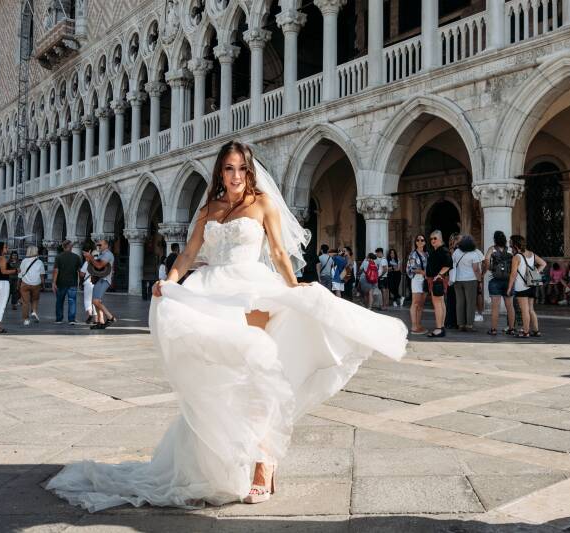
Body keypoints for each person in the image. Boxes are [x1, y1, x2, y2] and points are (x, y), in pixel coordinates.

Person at [46, 140, 407, 511]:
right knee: (216, 380)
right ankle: (214, 468)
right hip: (213, 292)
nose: (235, 176)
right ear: (220, 171)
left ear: (249, 171)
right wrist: (169, 280)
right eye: (229, 169)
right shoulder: (209, 208)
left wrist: (293, 286)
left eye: (241, 169)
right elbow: (189, 254)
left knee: (259, 375)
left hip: (252, 292)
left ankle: (265, 464)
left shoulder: (263, 203)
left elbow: (280, 252)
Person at [507, 235, 546, 338]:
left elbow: (513, 274)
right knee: (531, 309)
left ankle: (525, 332)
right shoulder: (532, 254)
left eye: (510, 242)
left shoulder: (516, 257)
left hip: (521, 286)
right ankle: (536, 331)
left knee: (524, 310)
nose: (509, 244)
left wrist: (509, 287)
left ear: (515, 245)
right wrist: (535, 272)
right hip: (532, 285)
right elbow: (543, 263)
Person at [483, 230, 515, 335]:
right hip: (508, 280)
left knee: (495, 307)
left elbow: (486, 261)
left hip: (495, 281)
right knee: (510, 306)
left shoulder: (492, 249)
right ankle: (511, 328)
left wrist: (488, 269)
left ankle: (493, 329)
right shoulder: (510, 250)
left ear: (495, 240)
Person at [83, 238, 117, 329]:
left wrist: (90, 257)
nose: (98, 246)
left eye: (100, 245)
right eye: (97, 245)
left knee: (96, 301)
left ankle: (110, 317)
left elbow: (99, 265)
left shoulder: (108, 254)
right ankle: (100, 321)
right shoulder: (102, 254)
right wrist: (89, 259)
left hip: (104, 280)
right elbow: (95, 266)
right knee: (96, 301)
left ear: (106, 245)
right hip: (99, 279)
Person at [452, 235, 482, 332]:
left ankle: (460, 324)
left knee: (460, 302)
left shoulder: (456, 252)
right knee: (470, 303)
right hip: (470, 280)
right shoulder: (473, 254)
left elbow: (452, 263)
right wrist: (480, 280)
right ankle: (469, 325)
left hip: (457, 280)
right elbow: (476, 269)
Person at [426, 231, 452, 338]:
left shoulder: (443, 250)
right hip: (436, 279)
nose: (432, 240)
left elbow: (448, 264)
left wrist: (439, 275)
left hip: (437, 280)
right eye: (431, 239)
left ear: (440, 239)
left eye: (435, 238)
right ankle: (441, 327)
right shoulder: (437, 250)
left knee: (437, 304)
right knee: (440, 303)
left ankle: (439, 328)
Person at [0, 241, 18, 333]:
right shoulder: (2, 258)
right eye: (6, 247)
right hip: (2, 283)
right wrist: (15, 271)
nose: (7, 249)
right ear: (1, 249)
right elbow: (4, 272)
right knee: (1, 306)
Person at [53, 240, 82, 325]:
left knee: (59, 301)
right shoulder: (76, 257)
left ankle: (59, 319)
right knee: (72, 301)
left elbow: (56, 270)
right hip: (72, 283)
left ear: (63, 247)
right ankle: (71, 319)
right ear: (70, 246)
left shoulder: (58, 257)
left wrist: (54, 282)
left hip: (60, 282)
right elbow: (80, 271)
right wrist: (81, 281)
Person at [19, 246, 46, 326]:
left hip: (25, 284)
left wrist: (18, 284)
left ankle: (26, 320)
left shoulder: (24, 261)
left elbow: (20, 274)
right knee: (35, 299)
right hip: (36, 284)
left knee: (25, 302)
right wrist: (43, 284)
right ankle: (34, 312)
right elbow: (42, 275)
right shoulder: (40, 262)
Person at [407, 235, 428, 334]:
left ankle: (419, 325)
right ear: (415, 242)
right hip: (417, 279)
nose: (420, 241)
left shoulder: (427, 254)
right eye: (418, 240)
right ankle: (414, 326)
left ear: (424, 242)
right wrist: (423, 272)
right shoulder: (413, 254)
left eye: (422, 240)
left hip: (425, 280)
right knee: (415, 303)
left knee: (421, 304)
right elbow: (412, 268)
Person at [79, 244, 96, 324]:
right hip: (96, 283)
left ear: (89, 252)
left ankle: (89, 314)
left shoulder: (87, 262)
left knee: (88, 300)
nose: (84, 255)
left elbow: (82, 274)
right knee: (96, 301)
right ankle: (96, 319)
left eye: (84, 253)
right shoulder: (98, 261)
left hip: (88, 283)